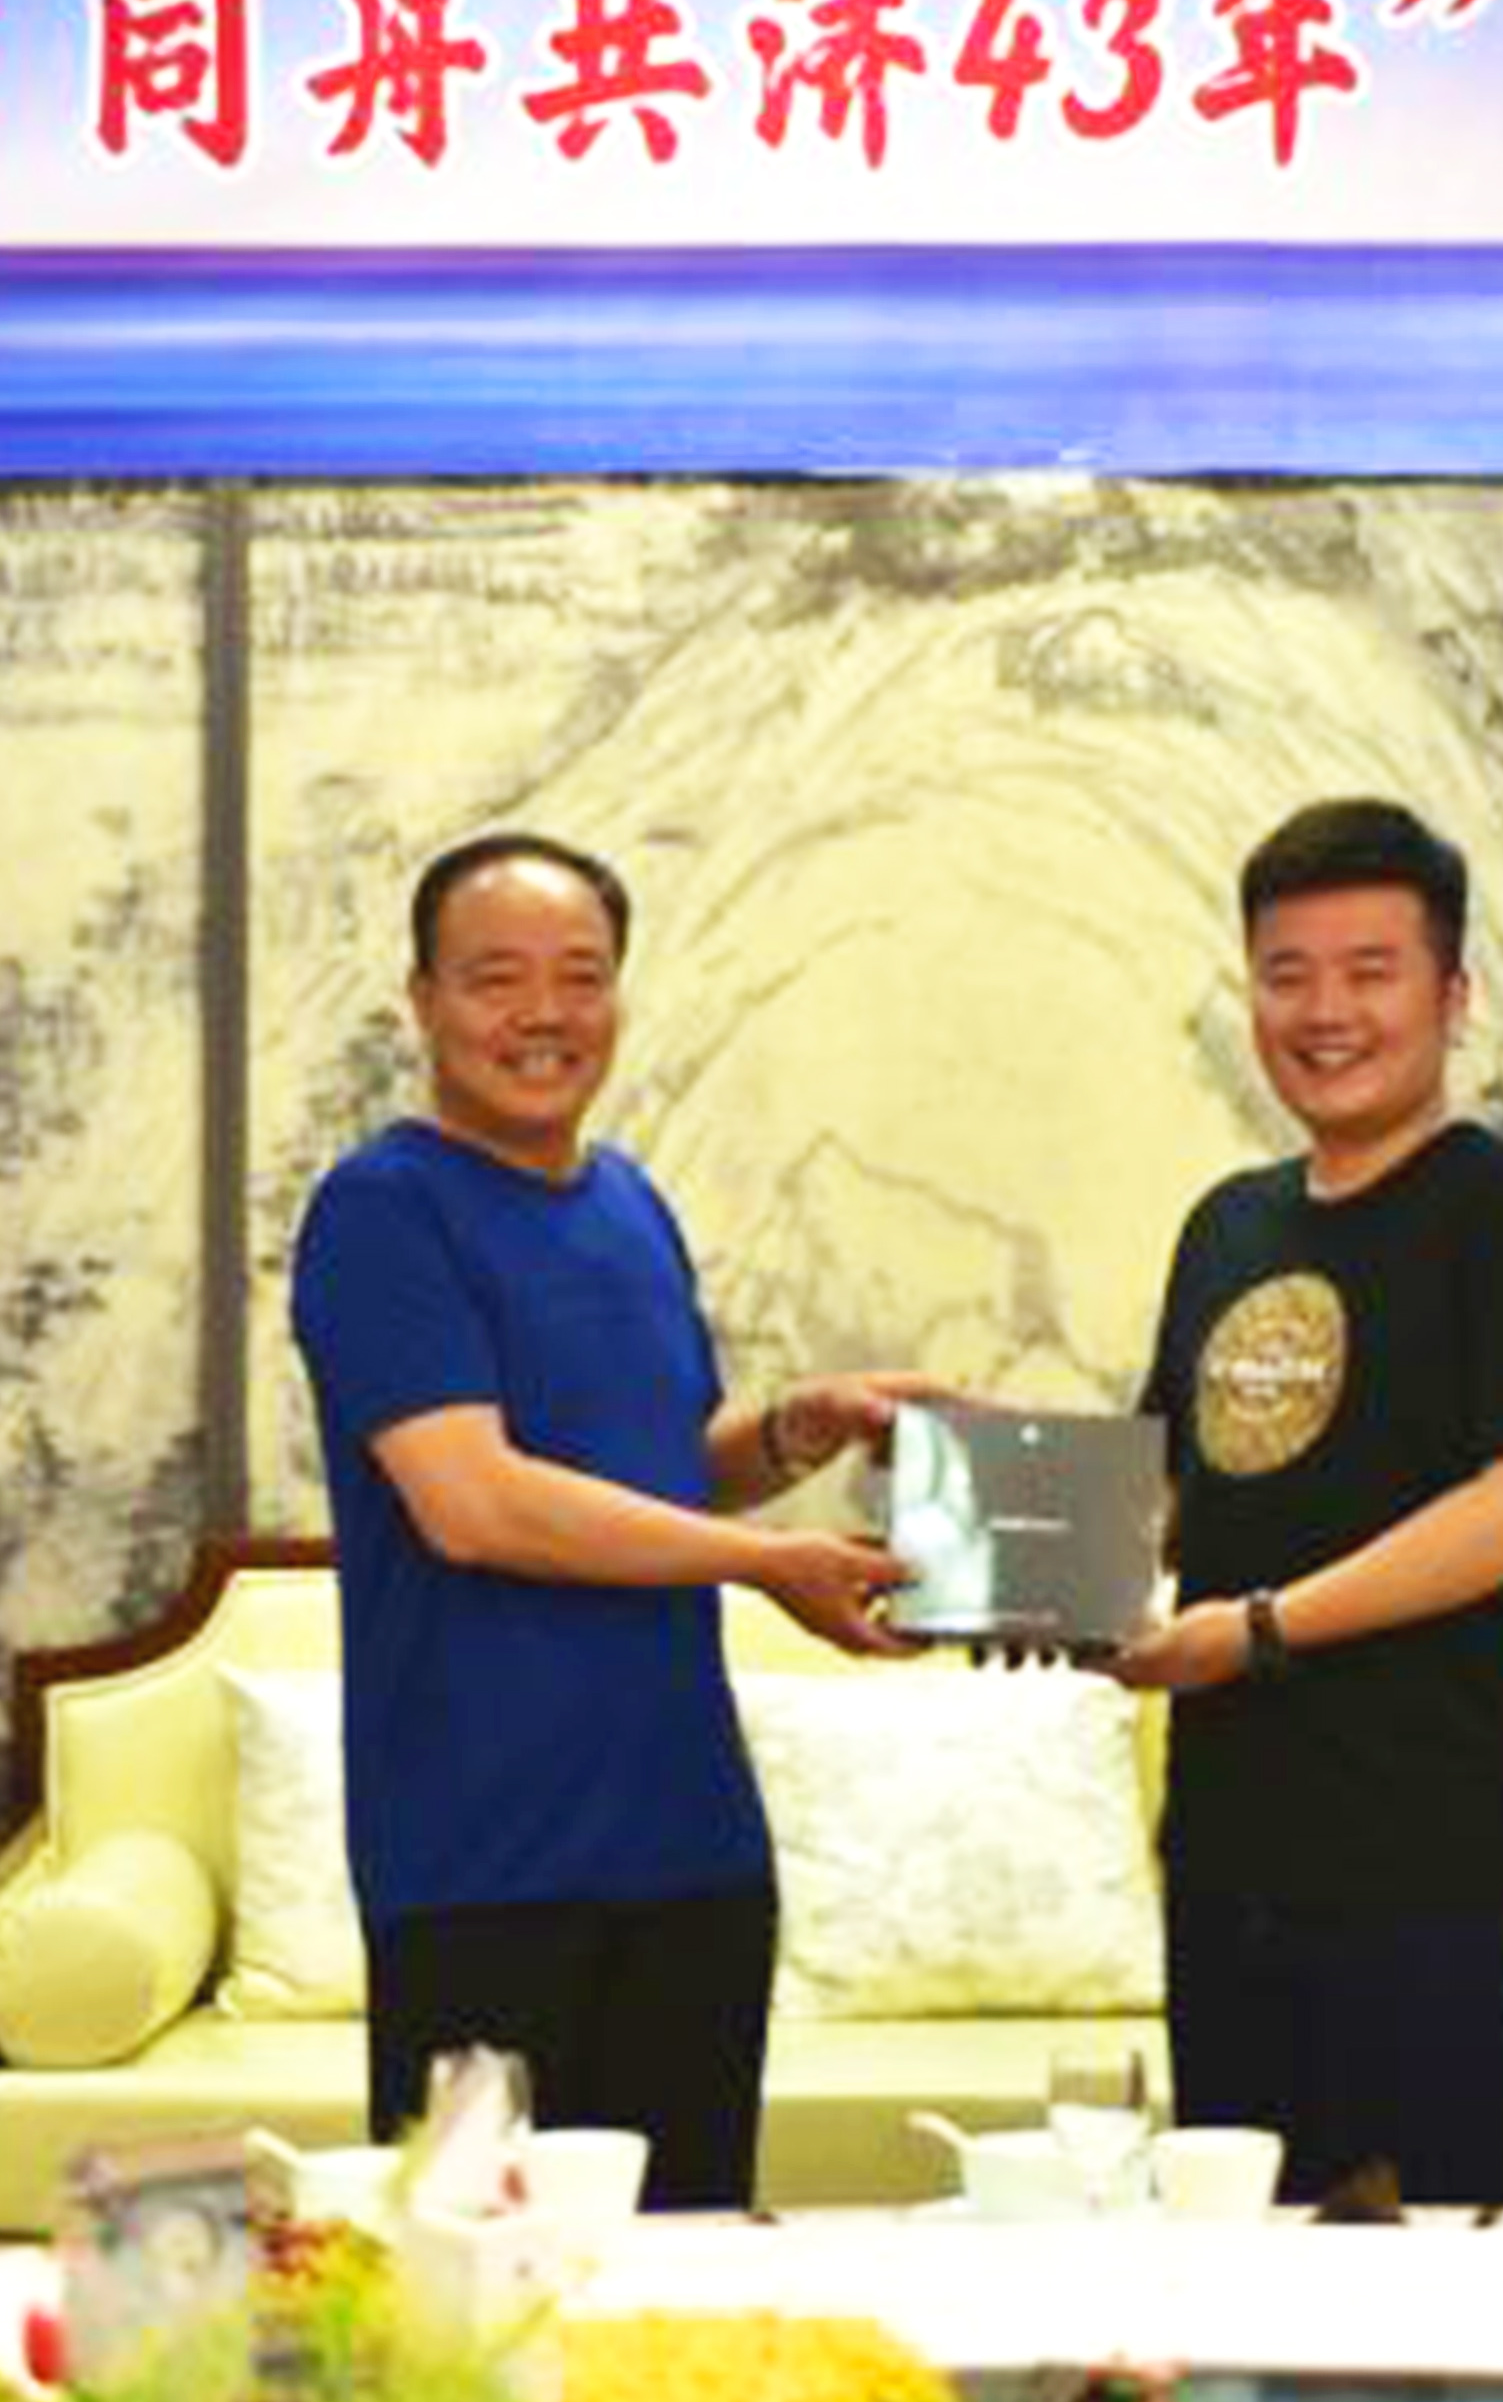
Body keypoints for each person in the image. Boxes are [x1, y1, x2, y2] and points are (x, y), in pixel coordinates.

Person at [287, 828, 919, 2211]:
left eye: (580, 976)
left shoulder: (631, 1203)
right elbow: (475, 1502)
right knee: (478, 2280)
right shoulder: (381, 1211)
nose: (543, 1013)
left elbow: (647, 1478)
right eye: (496, 978)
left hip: (696, 1855)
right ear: (422, 1000)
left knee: (683, 2267)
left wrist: (794, 1428)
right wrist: (768, 1563)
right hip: (480, 1866)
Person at [1105, 797, 1503, 2208]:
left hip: (1431, 1872)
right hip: (1228, 1864)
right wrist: (991, 1529)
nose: (1324, 1011)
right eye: (1287, 974)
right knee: (1235, 2262)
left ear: (1451, 996)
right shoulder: (1226, 1225)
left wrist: (1256, 1630)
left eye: (1369, 971)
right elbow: (1171, 1490)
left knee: (1436, 2280)